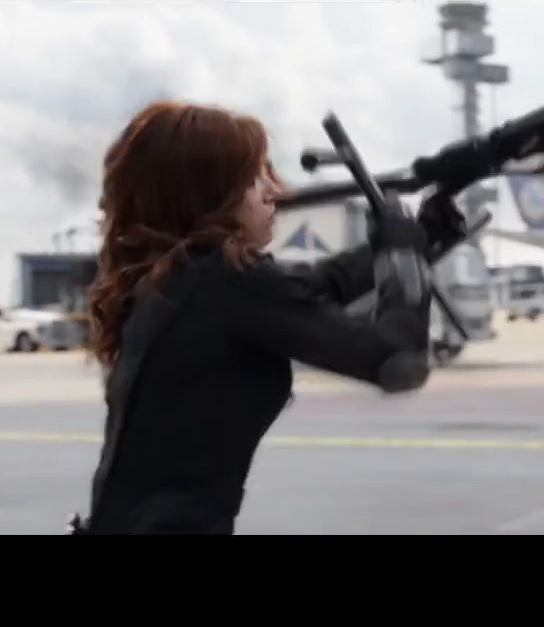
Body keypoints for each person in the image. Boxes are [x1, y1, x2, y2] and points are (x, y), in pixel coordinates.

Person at [73, 100, 463, 535]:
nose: (275, 192)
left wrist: (423, 238)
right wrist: (402, 253)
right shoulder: (220, 279)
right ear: (208, 193)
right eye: (254, 179)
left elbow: (315, 288)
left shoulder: (179, 280)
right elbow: (397, 359)